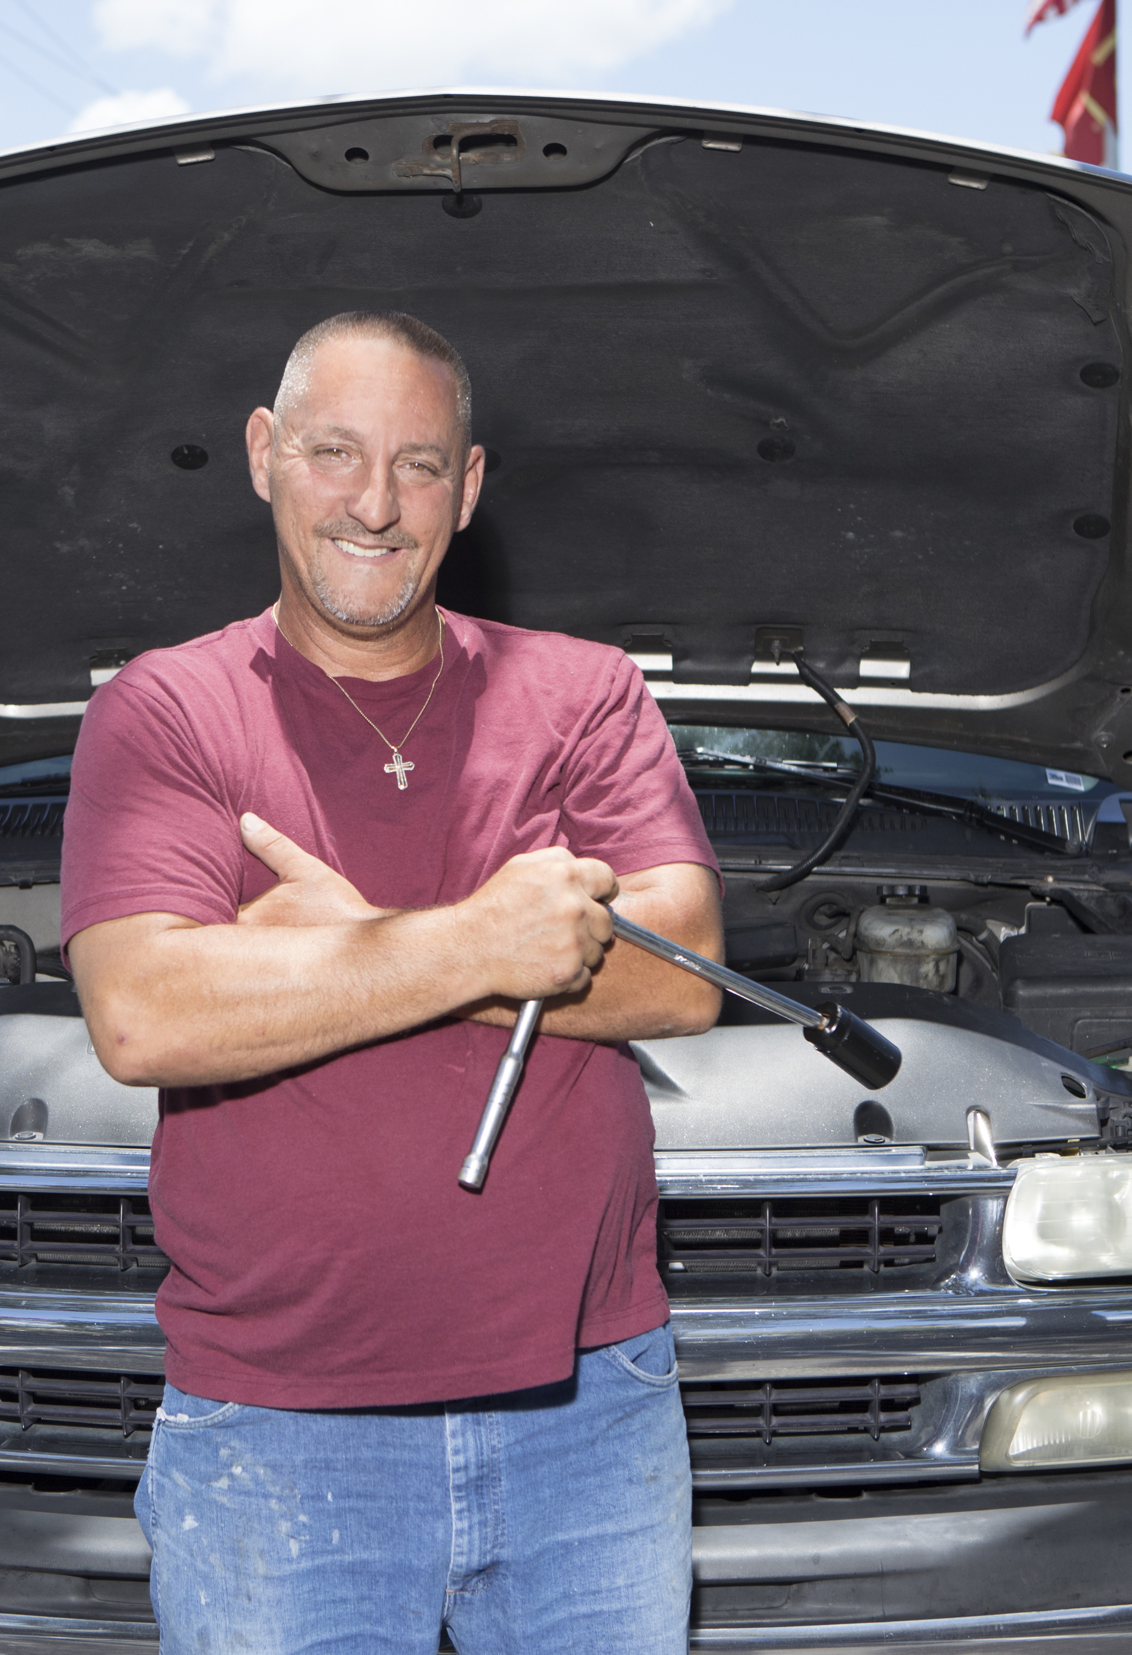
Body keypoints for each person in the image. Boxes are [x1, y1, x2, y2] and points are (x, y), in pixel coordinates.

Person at [61, 310, 723, 1653]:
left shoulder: (583, 695)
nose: (374, 503)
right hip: (280, 1429)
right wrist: (488, 941)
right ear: (263, 454)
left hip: (590, 1414)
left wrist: (345, 942)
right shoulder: (169, 710)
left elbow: (687, 970)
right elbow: (146, 1012)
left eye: (420, 464)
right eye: (333, 452)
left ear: (469, 490)